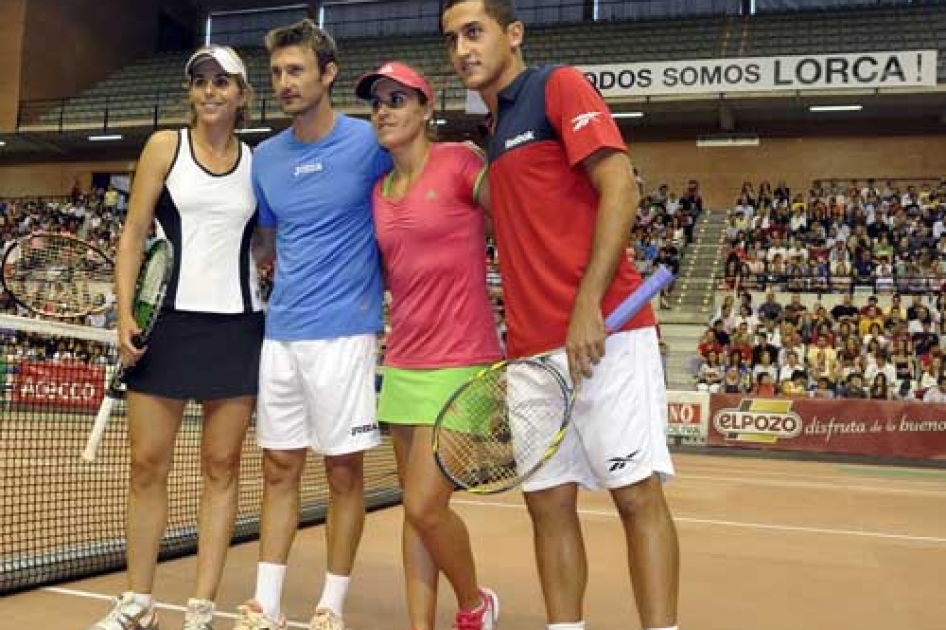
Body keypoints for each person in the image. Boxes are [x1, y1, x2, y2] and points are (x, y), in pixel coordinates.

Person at [441, 2, 679, 630]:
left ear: (512, 35)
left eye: (474, 32)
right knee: (547, 507)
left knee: (636, 496)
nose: (463, 49)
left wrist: (585, 310)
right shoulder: (490, 133)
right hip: (530, 354)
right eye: (452, 40)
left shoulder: (557, 86)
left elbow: (621, 183)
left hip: (606, 334)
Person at [85, 45, 264, 630]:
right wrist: (123, 315)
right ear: (190, 92)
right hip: (167, 326)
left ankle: (201, 609)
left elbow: (264, 245)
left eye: (223, 82)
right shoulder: (166, 145)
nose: (210, 91)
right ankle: (138, 602)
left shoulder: (258, 162)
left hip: (237, 328)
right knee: (145, 465)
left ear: (241, 94)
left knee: (221, 468)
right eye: (201, 81)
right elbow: (134, 233)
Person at [232, 20, 392, 630]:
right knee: (278, 468)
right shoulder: (266, 159)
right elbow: (267, 242)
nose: (284, 82)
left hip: (345, 334)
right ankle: (265, 603)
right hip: (282, 336)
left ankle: (331, 604)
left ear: (327, 75)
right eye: (276, 73)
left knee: (343, 471)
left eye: (296, 70)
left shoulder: (368, 142)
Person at [354, 61, 500, 630]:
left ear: (425, 108)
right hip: (405, 363)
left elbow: (517, 209)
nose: (384, 110)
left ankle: (473, 605)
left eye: (397, 99)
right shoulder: (377, 193)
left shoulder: (462, 162)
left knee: (425, 504)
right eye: (377, 103)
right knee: (413, 516)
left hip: (465, 362)